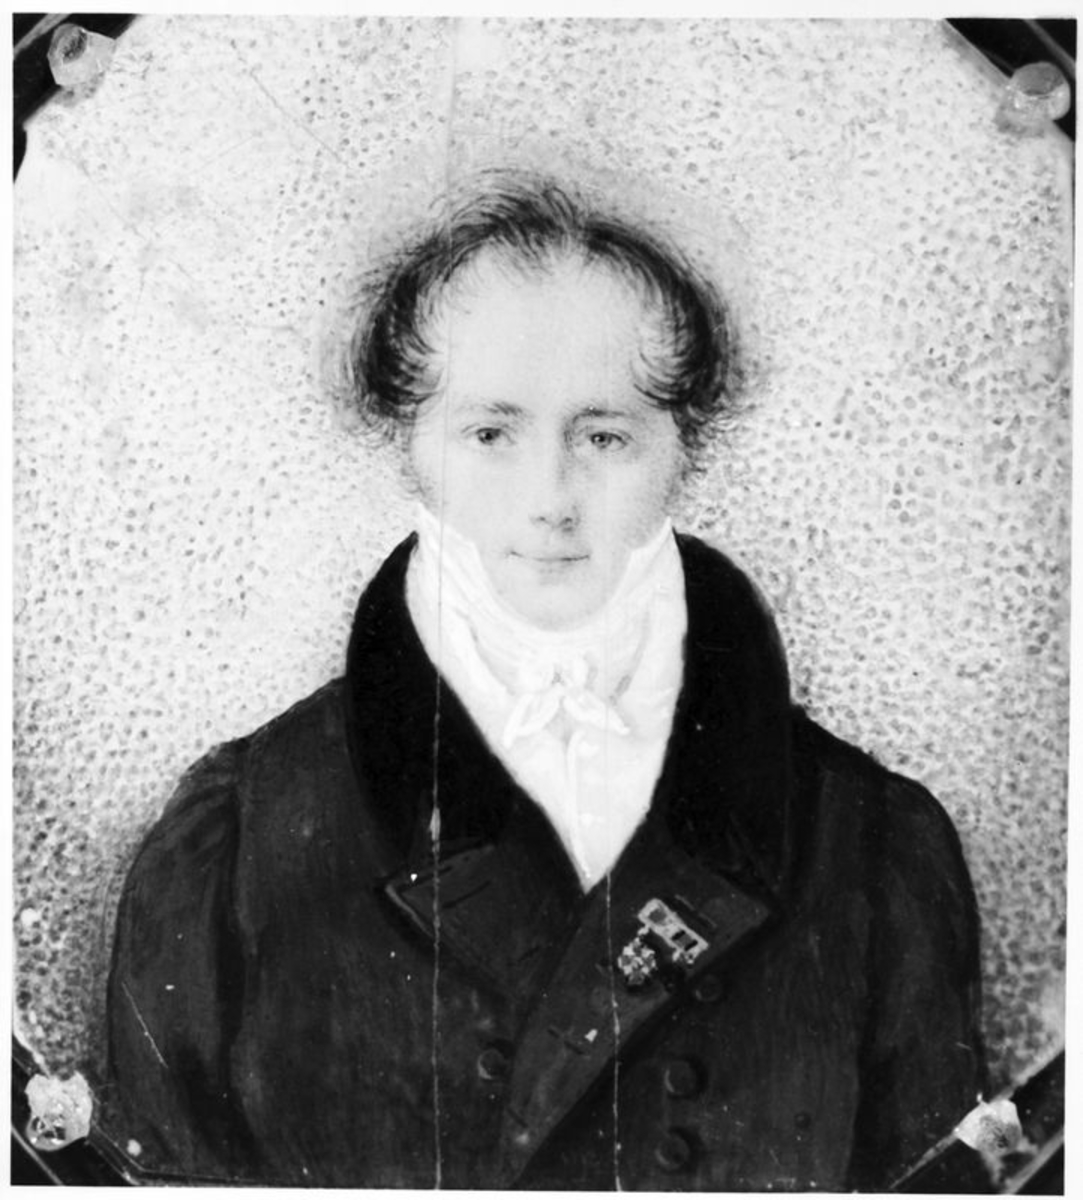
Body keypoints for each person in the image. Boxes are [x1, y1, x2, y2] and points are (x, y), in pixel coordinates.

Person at [104, 173, 985, 1189]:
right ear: (409, 443)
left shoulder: (871, 846)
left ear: (683, 449)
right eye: (489, 434)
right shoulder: (244, 833)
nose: (551, 498)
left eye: (605, 436)